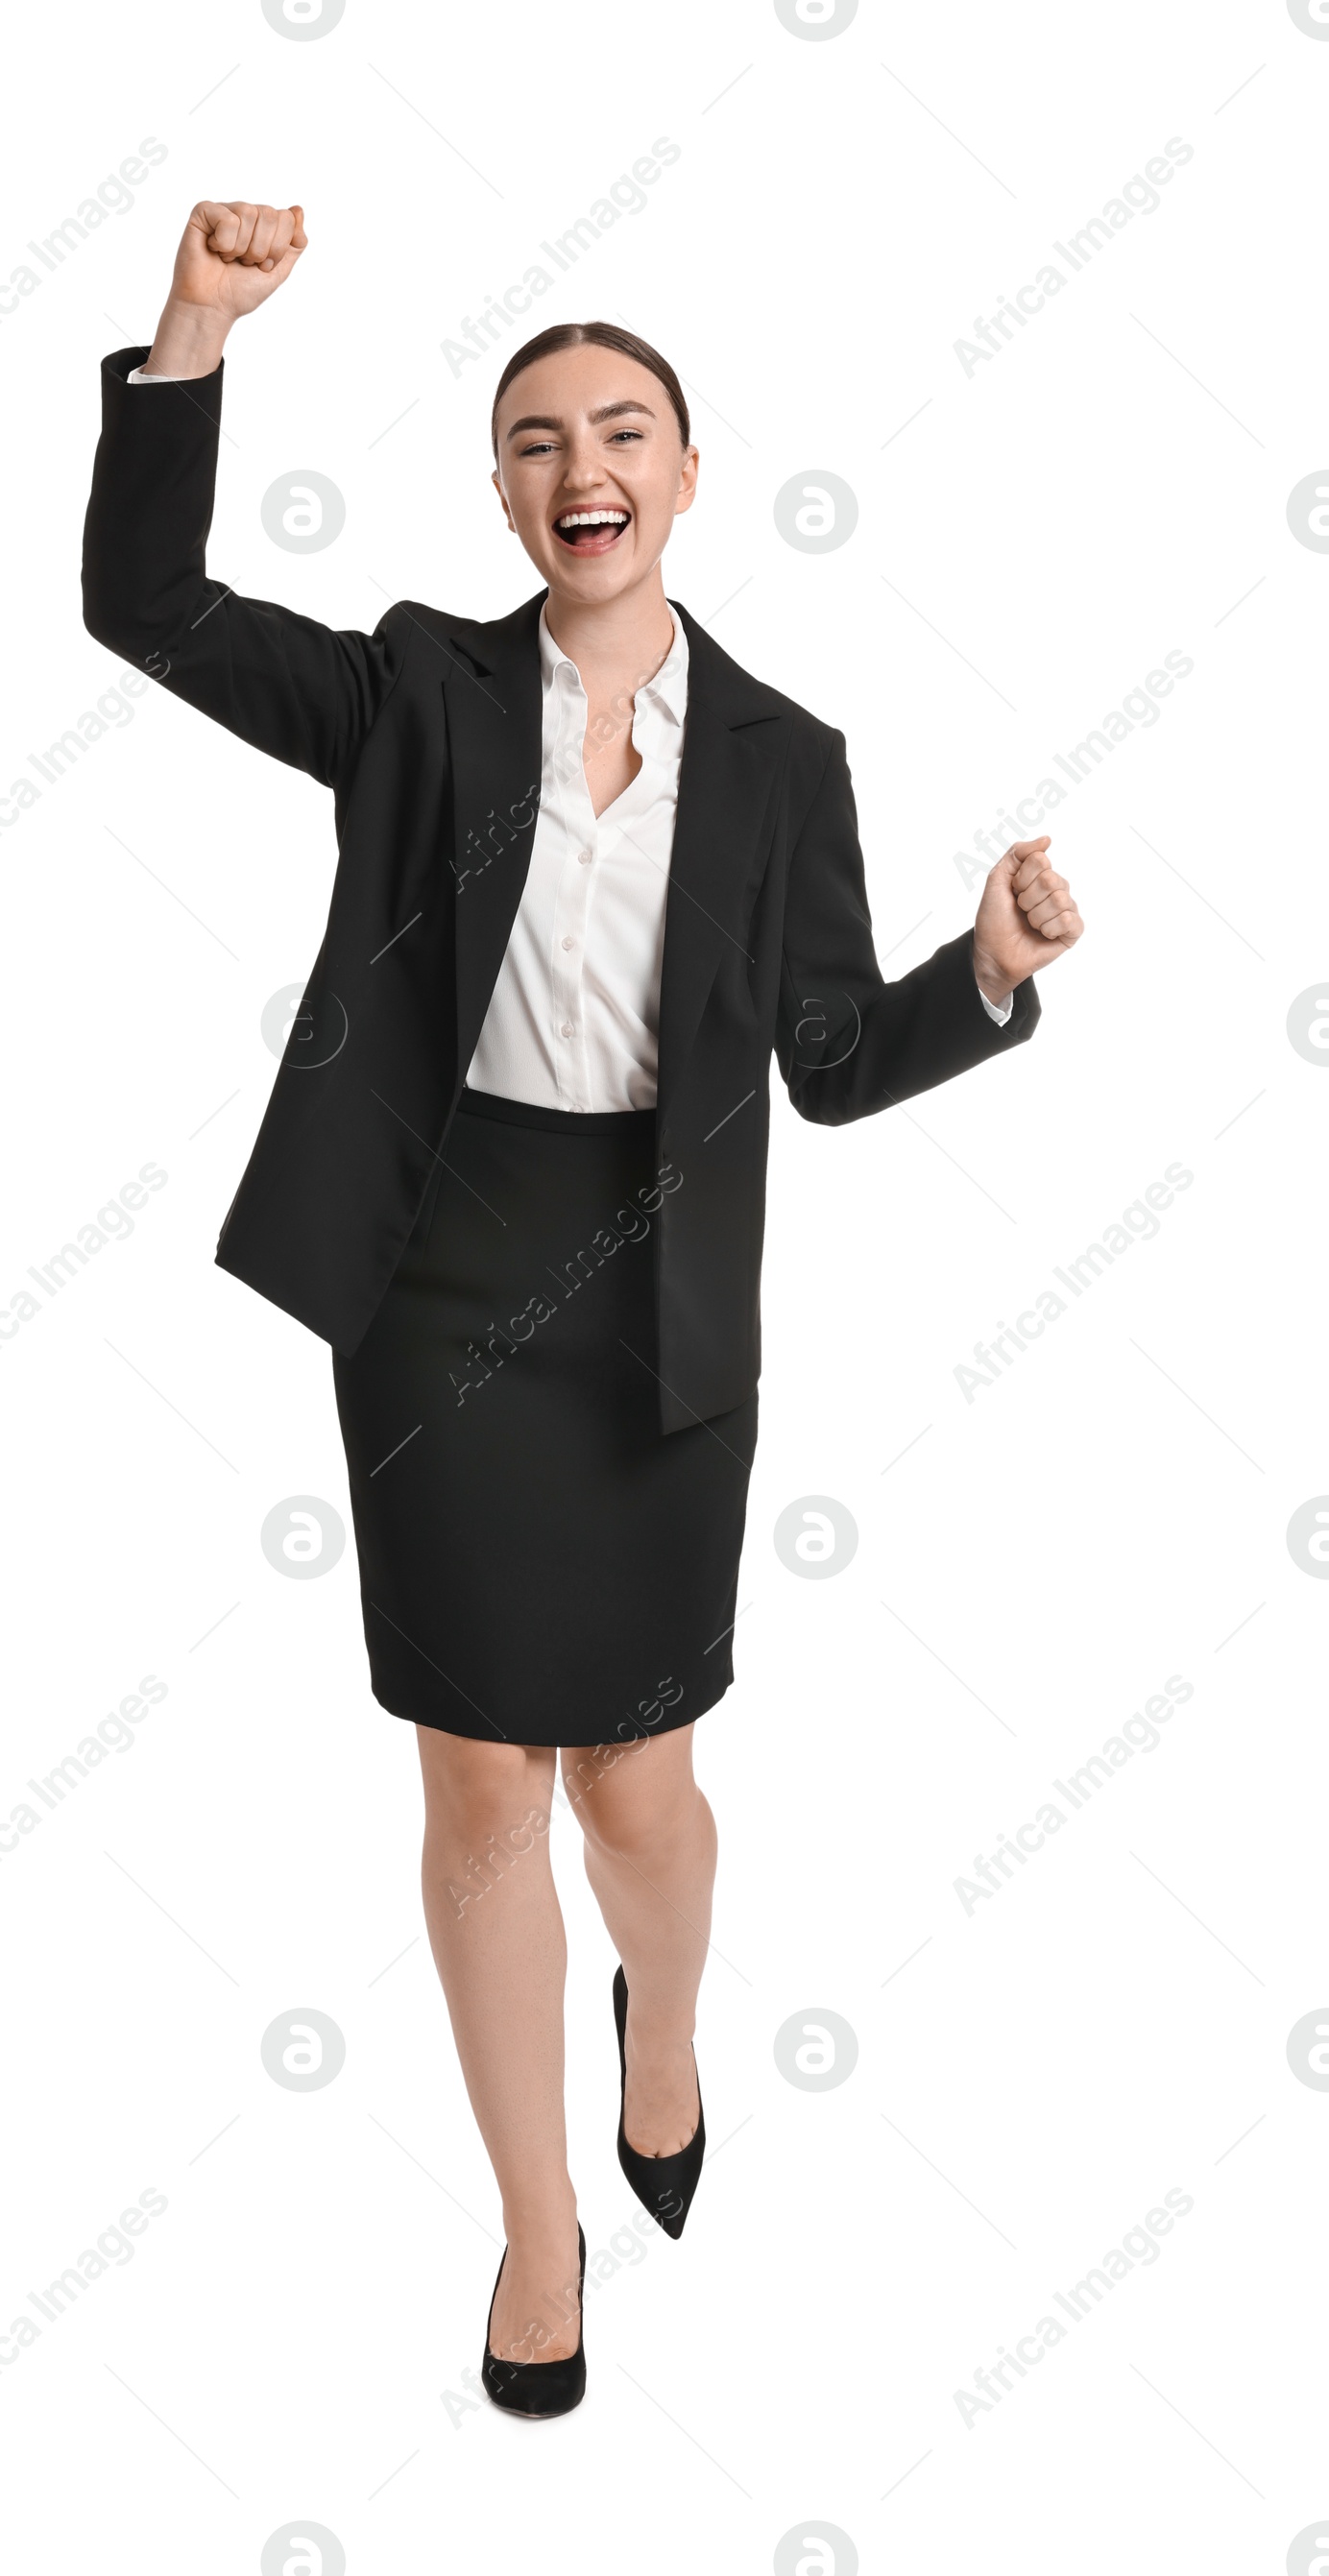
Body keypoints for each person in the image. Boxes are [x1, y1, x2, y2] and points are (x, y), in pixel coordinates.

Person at [82, 198, 1084, 2418]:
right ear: (506, 492)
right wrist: (192, 333)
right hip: (437, 1292)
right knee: (476, 1795)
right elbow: (140, 605)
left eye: (618, 428)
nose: (576, 464)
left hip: (660, 1305)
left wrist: (984, 976)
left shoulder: (786, 758)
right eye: (534, 437)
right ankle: (535, 2233)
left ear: (688, 477)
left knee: (638, 1789)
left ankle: (671, 2026)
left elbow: (822, 1066)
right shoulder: (414, 691)